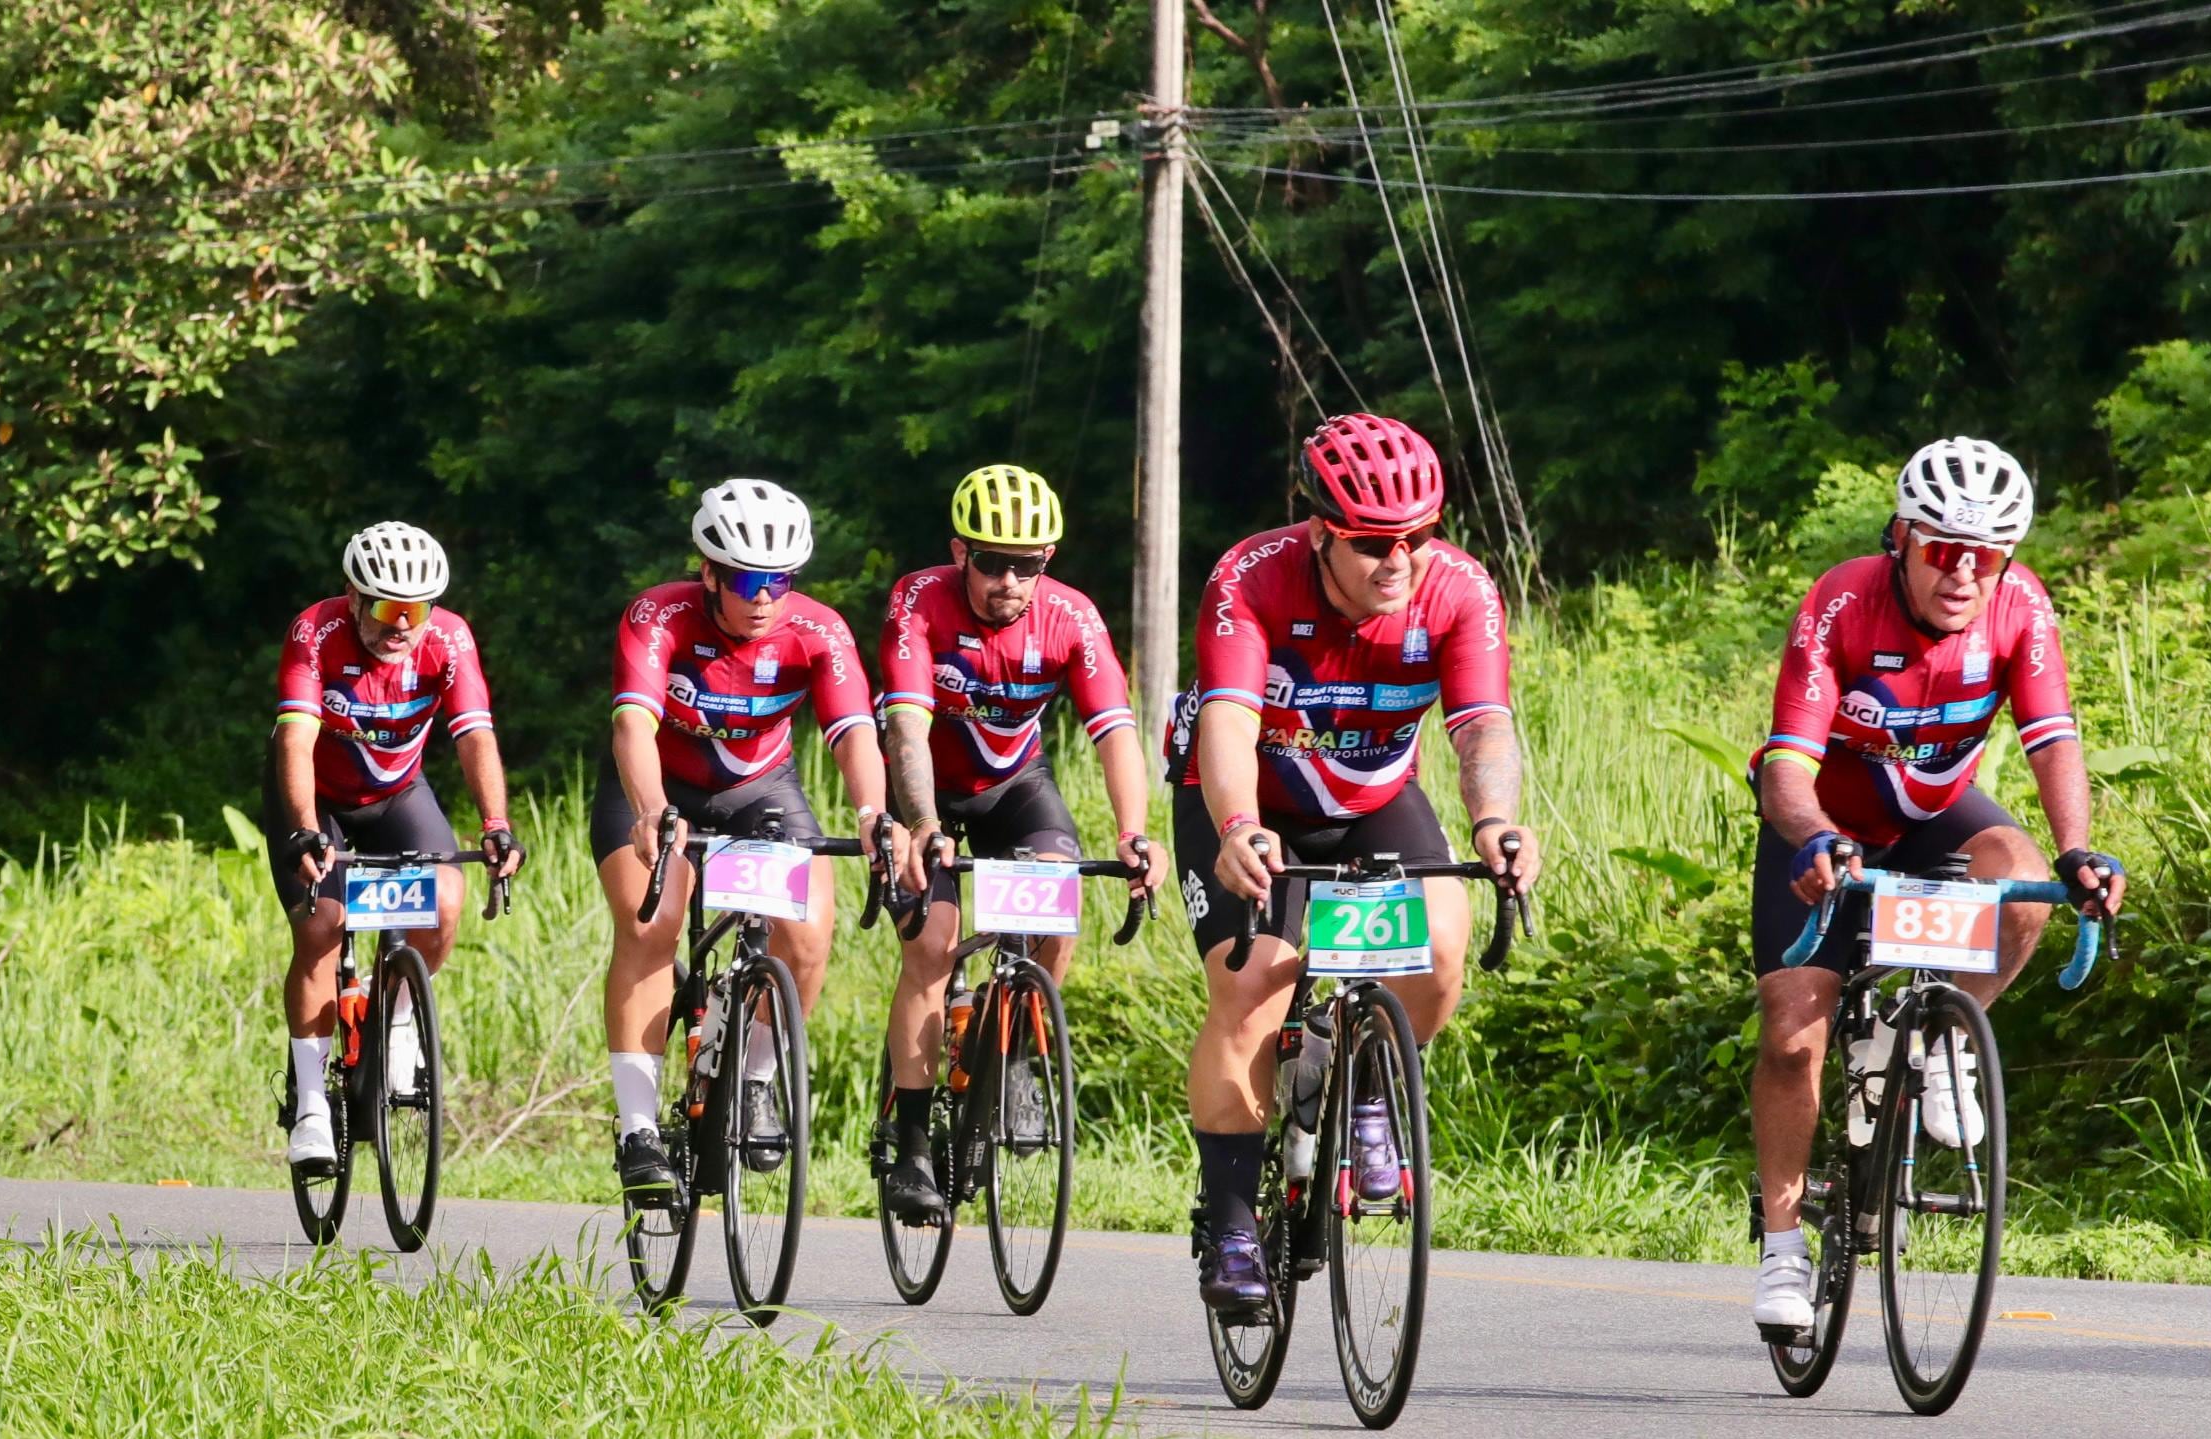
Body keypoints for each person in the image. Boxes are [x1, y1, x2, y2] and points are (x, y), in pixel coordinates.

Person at [1747, 437, 2125, 1334]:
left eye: (1985, 557)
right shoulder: (1842, 602)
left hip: (1935, 816)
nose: (1962, 574)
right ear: (1901, 538)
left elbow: (2051, 738)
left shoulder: (2020, 606)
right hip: (1824, 827)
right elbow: (1786, 764)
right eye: (1943, 550)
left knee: (2021, 877)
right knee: (1794, 1035)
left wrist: (2077, 851)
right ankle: (1782, 1247)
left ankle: (1949, 1036)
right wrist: (1815, 838)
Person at [1171, 412, 1542, 1316]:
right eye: (1374, 543)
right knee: (1254, 981)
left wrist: (1494, 821)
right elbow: (1227, 720)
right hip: (1247, 799)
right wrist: (1237, 825)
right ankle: (1230, 1221)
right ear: (1320, 532)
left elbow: (1482, 726)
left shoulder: (1457, 589)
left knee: (1440, 951)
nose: (1398, 560)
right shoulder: (1250, 577)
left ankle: (1366, 1087)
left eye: (1418, 537)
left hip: (1372, 798)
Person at [593, 478, 901, 1203]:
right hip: (660, 783)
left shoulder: (818, 630)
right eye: (746, 580)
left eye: (780, 580)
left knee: (807, 937)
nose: (764, 597)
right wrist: (651, 808)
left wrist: (871, 812)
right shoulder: (658, 616)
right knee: (654, 923)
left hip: (761, 789)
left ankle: (756, 1077)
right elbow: (632, 724)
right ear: (708, 573)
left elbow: (854, 730)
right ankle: (638, 1130)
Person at [873, 464, 1163, 1222]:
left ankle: (1014, 1058)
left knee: (1057, 914)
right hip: (923, 785)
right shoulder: (919, 600)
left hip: (1013, 784)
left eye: (1026, 565)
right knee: (932, 945)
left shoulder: (1071, 617)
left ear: (1047, 561)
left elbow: (1115, 731)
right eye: (991, 562)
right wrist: (922, 823)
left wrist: (1133, 832)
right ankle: (911, 1147)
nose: (1008, 580)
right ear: (959, 553)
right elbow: (906, 729)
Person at [270, 522, 524, 1175]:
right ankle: (310, 1105)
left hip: (396, 793)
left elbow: (474, 734)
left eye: (417, 609)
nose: (403, 625)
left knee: (443, 903)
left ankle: (397, 1020)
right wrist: (304, 827)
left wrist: (495, 822)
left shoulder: (448, 639)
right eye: (387, 608)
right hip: (317, 797)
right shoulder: (316, 632)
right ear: (354, 596)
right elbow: (295, 739)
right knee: (323, 925)